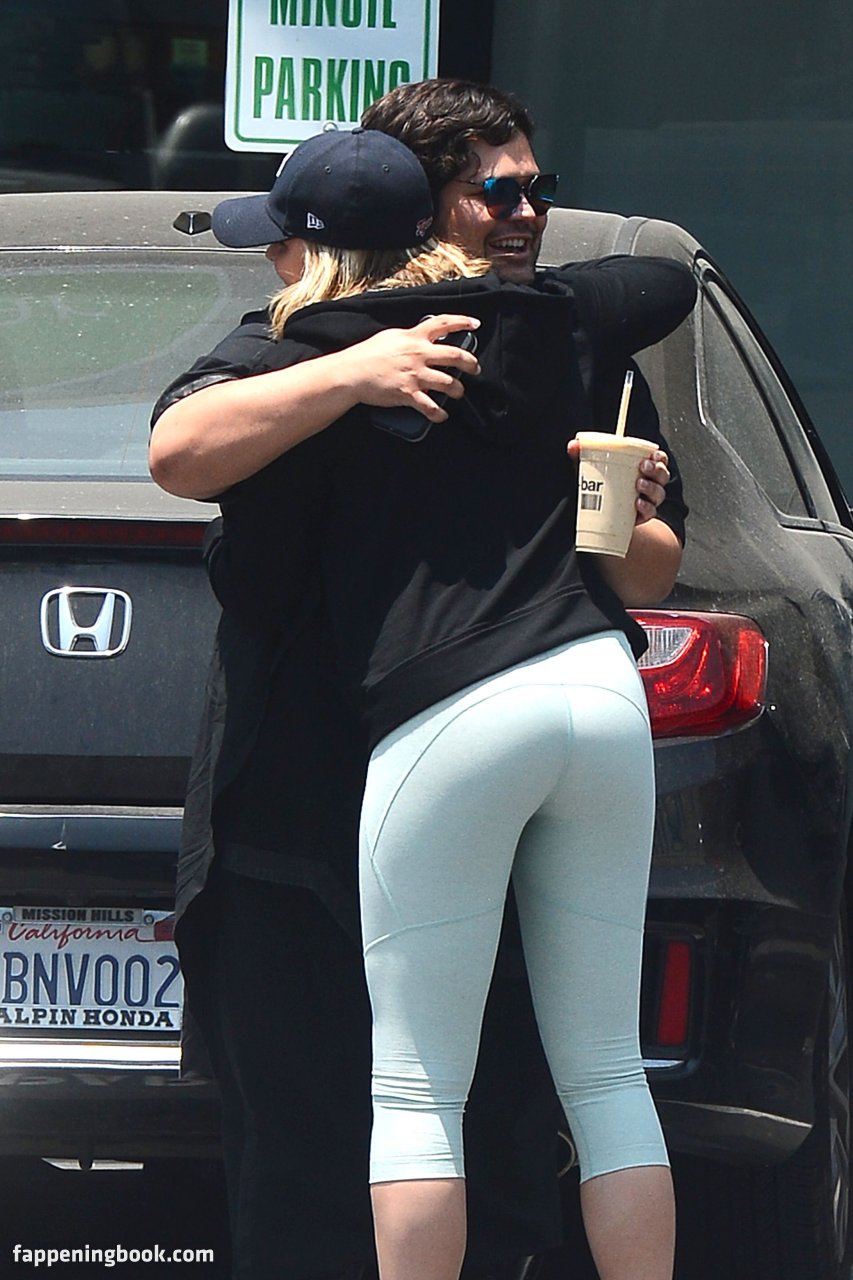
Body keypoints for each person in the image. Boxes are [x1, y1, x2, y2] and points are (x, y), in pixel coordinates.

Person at [151, 121, 695, 1280]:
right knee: (606, 1070)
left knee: (411, 1092)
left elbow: (184, 459)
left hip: (447, 708)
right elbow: (662, 279)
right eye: (502, 191)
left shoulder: (314, 344)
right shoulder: (552, 328)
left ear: (312, 253)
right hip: (598, 688)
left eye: (278, 245)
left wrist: (350, 364)